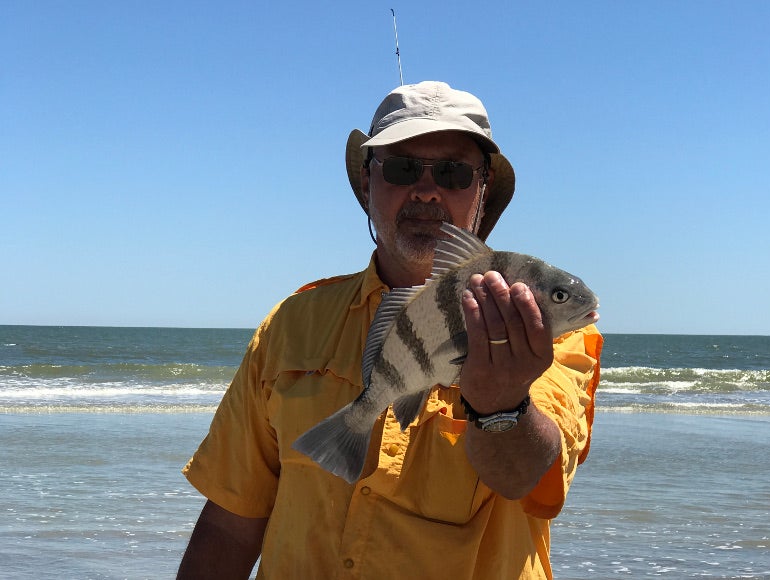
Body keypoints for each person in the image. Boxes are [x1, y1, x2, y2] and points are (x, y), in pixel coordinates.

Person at [177, 81, 603, 579]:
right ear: (367, 182)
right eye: (401, 168)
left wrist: (502, 405)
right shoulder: (291, 324)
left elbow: (524, 478)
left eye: (453, 172)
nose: (426, 190)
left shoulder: (551, 332)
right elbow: (231, 521)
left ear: (483, 190)